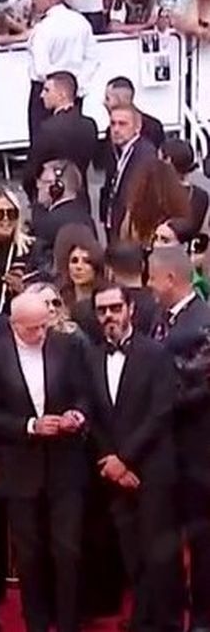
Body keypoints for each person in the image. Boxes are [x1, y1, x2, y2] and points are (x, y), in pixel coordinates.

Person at [0, 292, 89, 632]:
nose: (41, 334)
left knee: (67, 551)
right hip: (19, 467)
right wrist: (30, 426)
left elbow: (85, 392)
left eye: (45, 326)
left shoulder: (66, 347)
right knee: (29, 554)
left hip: (65, 465)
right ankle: (36, 623)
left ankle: (69, 623)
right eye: (33, 329)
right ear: (14, 325)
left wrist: (76, 415)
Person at [82, 285, 179, 632]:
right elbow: (90, 414)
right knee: (132, 553)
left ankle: (166, 624)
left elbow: (161, 413)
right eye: (102, 310)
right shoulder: (91, 357)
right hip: (113, 474)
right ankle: (141, 620)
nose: (109, 316)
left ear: (130, 310)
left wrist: (125, 458)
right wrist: (110, 459)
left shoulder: (157, 354)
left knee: (161, 556)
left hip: (152, 469)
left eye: (114, 308)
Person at [144, 246, 210, 624]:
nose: (149, 286)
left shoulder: (203, 321)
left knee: (202, 542)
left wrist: (151, 398)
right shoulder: (157, 316)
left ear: (170, 278)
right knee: (164, 539)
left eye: (152, 278)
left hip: (198, 454)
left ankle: (202, 617)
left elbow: (191, 387)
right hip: (164, 454)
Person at [24, 0, 97, 142]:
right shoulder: (81, 21)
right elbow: (92, 59)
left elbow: (41, 67)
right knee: (72, 144)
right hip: (74, 94)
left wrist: (55, 87)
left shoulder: (44, 27)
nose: (34, 1)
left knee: (43, 146)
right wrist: (76, 85)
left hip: (45, 95)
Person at [22, 72, 97, 210]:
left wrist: (35, 197)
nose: (42, 95)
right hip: (81, 199)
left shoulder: (47, 129)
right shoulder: (90, 125)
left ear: (62, 95)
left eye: (47, 90)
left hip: (53, 199)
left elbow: (31, 171)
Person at [101, 104, 158, 244]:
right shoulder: (118, 150)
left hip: (129, 231)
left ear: (137, 127)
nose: (116, 129)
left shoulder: (144, 154)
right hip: (114, 224)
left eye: (122, 124)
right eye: (113, 123)